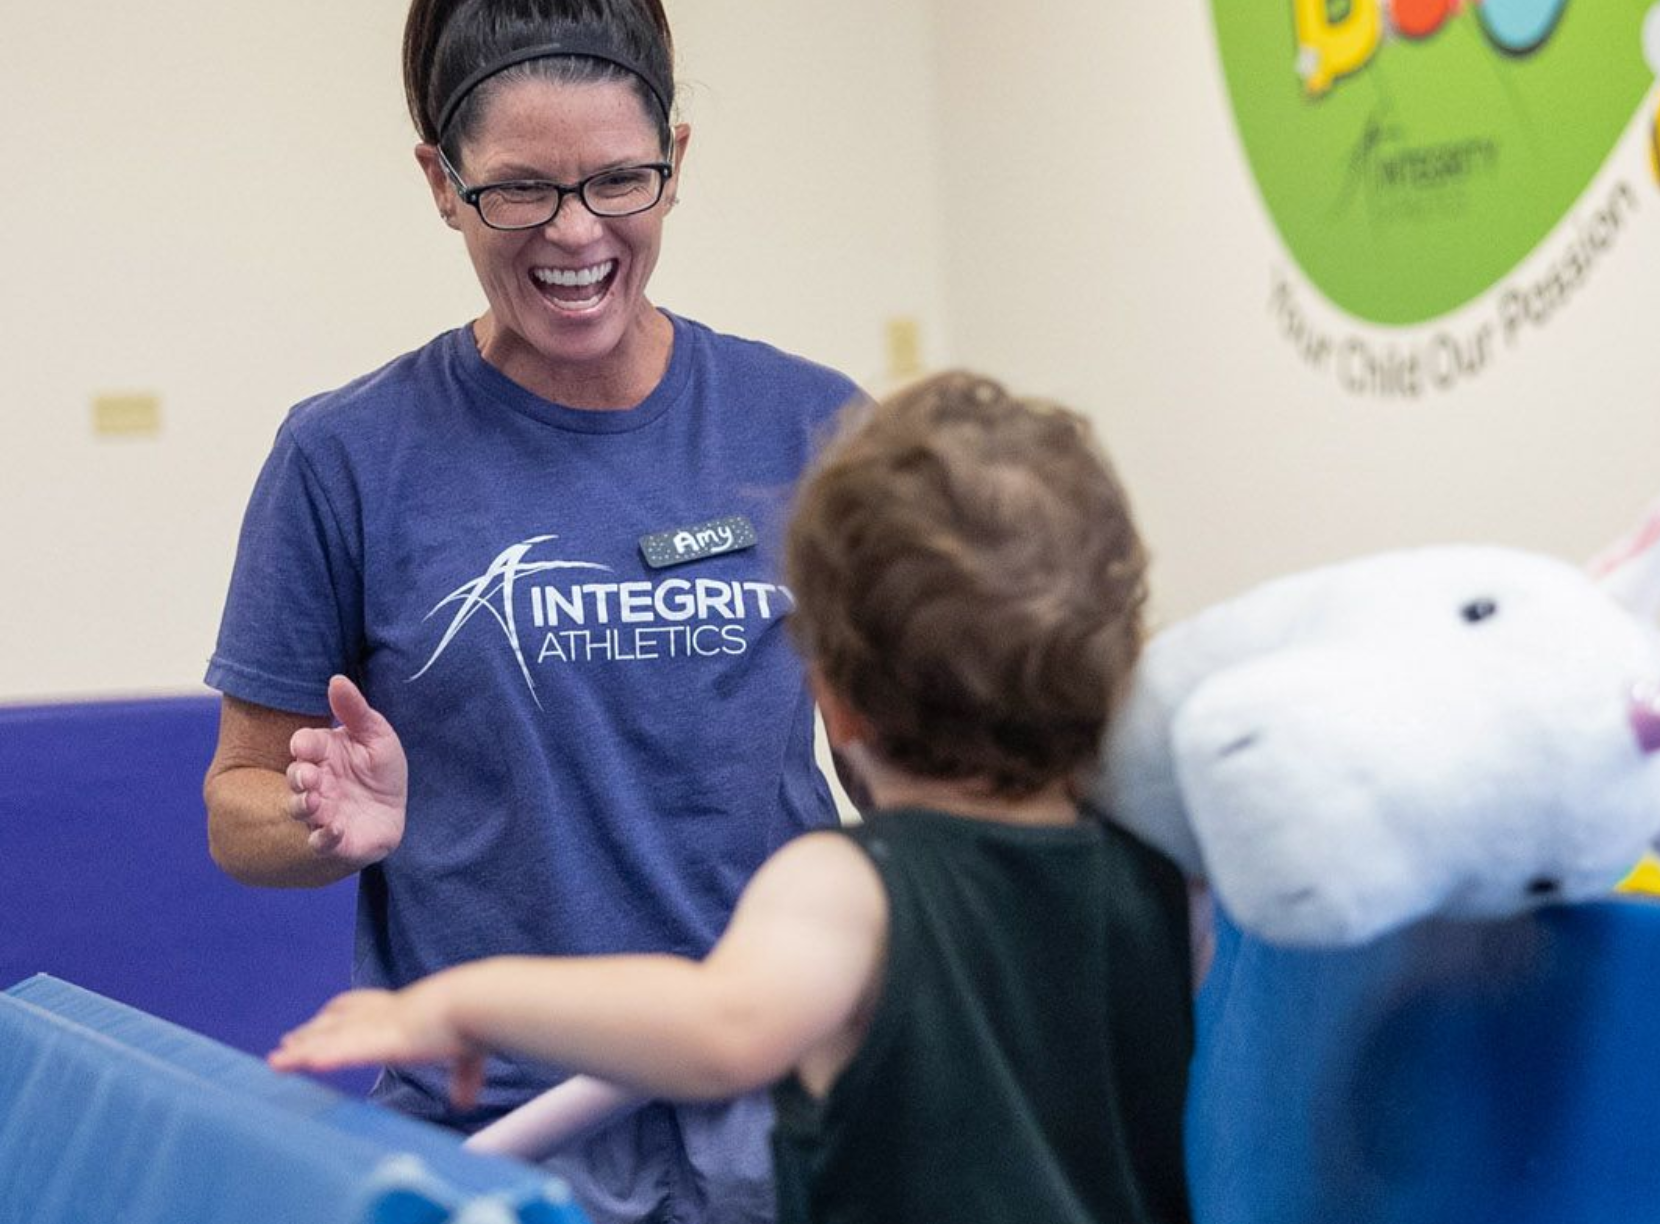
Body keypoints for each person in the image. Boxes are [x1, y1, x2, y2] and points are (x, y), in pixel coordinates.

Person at [203, 0, 863, 1223]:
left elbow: (903, 776)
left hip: (787, 1120)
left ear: (674, 157)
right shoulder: (347, 457)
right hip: (504, 1139)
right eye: (519, 189)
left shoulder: (815, 428)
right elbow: (238, 805)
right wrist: (329, 823)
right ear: (440, 180)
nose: (575, 234)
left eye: (620, 179)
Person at [272, 371, 1196, 1224]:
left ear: (830, 690)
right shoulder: (1165, 876)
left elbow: (721, 1028)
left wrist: (467, 1002)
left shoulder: (852, 888)